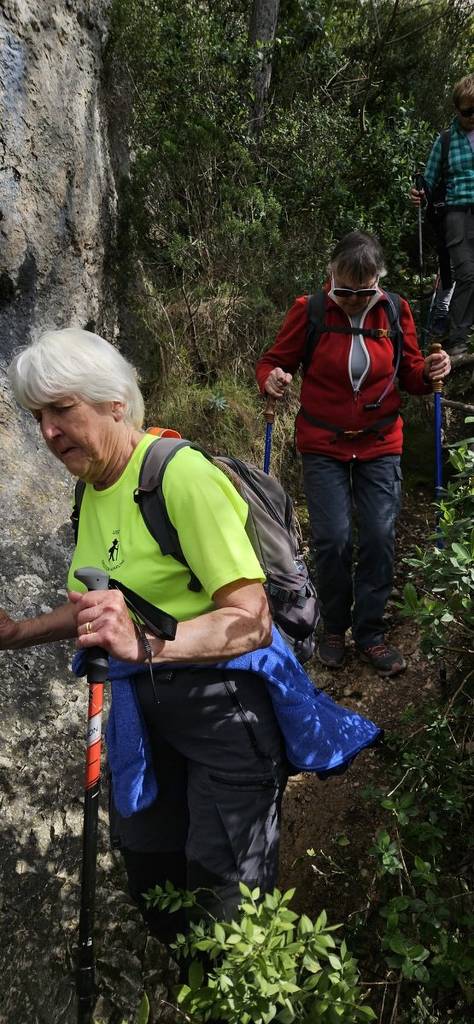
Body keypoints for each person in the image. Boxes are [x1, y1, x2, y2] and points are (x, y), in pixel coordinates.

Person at [2, 327, 286, 939]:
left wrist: (147, 644)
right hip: (146, 720)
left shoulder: (180, 477)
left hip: (223, 716)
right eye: (38, 417)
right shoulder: (93, 489)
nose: (49, 432)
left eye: (62, 409)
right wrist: (18, 631)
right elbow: (106, 607)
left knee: (225, 900)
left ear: (115, 404)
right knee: (155, 882)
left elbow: (252, 619)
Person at [255, 231, 451, 677]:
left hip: (380, 442)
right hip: (323, 442)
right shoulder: (311, 310)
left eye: (364, 292)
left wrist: (434, 371)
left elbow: (413, 375)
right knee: (334, 539)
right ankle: (333, 627)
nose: (354, 301)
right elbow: (272, 362)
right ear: (331, 277)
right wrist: (272, 380)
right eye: (344, 291)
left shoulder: (395, 310)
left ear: (378, 283)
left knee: (379, 537)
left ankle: (370, 632)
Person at [411, 73, 474, 356]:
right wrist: (418, 193)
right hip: (457, 215)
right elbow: (428, 180)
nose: (473, 116)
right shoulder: (446, 141)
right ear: (456, 109)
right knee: (468, 274)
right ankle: (459, 338)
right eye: (467, 111)